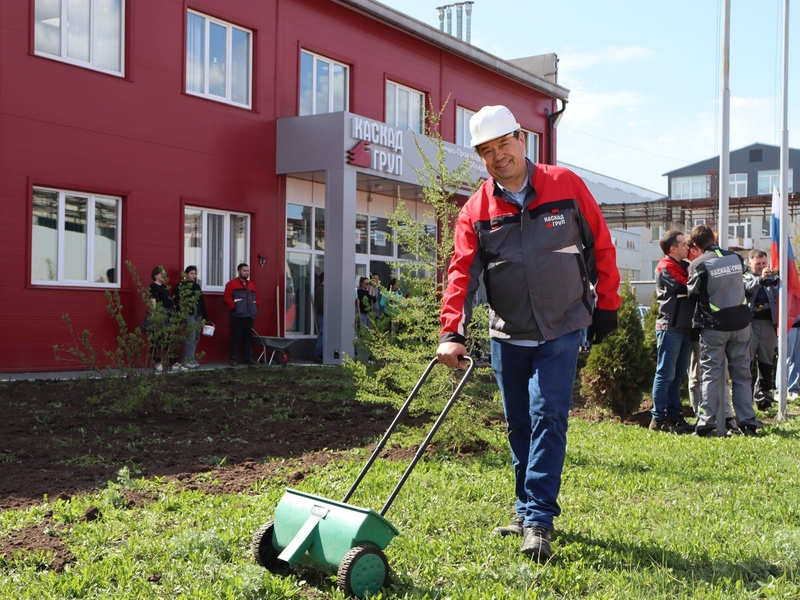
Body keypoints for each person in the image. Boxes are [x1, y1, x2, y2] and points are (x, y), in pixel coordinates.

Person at [436, 105, 620, 562]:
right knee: (520, 424)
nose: (498, 156)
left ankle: (539, 519)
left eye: (504, 144)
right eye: (487, 151)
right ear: (481, 156)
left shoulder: (565, 185)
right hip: (508, 334)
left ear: (522, 139)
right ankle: (524, 510)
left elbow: (600, 242)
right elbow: (462, 274)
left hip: (562, 327)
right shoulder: (476, 210)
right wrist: (451, 332)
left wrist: (608, 304)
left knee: (548, 418)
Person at [687, 224, 757, 436]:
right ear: (714, 237)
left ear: (696, 245)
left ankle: (706, 422)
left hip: (714, 327)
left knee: (711, 374)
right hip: (741, 325)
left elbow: (692, 292)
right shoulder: (736, 258)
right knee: (742, 375)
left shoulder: (698, 264)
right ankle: (747, 423)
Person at [649, 231, 695, 433]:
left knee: (677, 376)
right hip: (670, 327)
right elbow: (682, 287)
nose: (688, 247)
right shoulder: (665, 266)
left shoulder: (683, 265)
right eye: (684, 244)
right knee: (665, 374)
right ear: (673, 249)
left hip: (684, 327)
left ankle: (675, 417)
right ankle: (657, 419)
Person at [743, 249, 779, 411]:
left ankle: (764, 397)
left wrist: (777, 278)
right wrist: (760, 280)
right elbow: (747, 289)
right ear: (750, 263)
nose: (761, 266)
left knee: (766, 361)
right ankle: (745, 397)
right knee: (747, 361)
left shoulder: (771, 277)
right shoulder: (745, 276)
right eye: (758, 264)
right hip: (750, 324)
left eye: (764, 263)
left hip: (768, 324)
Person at [147, 266, 184, 372]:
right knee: (157, 339)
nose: (164, 276)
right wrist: (154, 316)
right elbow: (152, 301)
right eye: (161, 274)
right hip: (159, 315)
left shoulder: (164, 287)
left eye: (164, 273)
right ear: (155, 275)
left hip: (168, 315)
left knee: (170, 339)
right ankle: (157, 362)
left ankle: (174, 362)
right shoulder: (152, 287)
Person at [224, 263, 259, 366]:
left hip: (249, 316)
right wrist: (234, 308)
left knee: (248, 338)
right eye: (244, 270)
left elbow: (256, 298)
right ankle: (233, 358)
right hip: (237, 316)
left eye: (248, 270)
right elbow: (227, 298)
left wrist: (255, 308)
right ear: (239, 271)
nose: (246, 272)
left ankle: (247, 358)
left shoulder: (251, 284)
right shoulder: (231, 284)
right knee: (235, 337)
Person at [177, 265, 210, 369]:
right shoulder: (181, 285)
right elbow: (178, 301)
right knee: (190, 336)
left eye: (195, 273)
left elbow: (202, 302)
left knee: (196, 336)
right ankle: (186, 360)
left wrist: (206, 315)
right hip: (188, 313)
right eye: (191, 273)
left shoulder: (197, 286)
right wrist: (180, 315)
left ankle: (191, 357)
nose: (194, 275)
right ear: (186, 274)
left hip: (198, 313)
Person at [313, 272, 324, 363]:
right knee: (323, 335)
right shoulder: (320, 290)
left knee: (325, 335)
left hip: (325, 315)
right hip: (323, 315)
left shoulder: (324, 289)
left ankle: (322, 354)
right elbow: (321, 304)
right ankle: (317, 354)